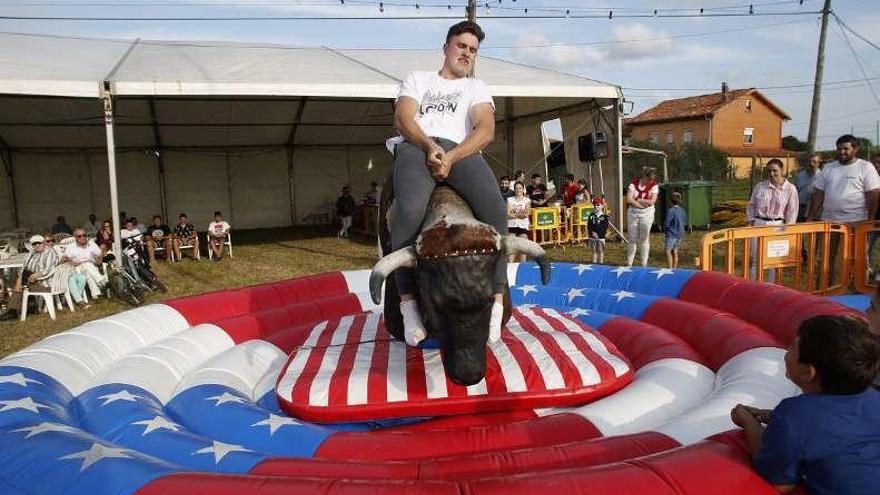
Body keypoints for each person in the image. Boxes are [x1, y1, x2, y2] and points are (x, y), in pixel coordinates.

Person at [385, 20, 507, 346]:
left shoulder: (476, 87)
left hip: (461, 149)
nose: (467, 53)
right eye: (461, 46)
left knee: (497, 209)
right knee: (409, 210)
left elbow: (485, 129)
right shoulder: (418, 79)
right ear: (446, 47)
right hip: (417, 146)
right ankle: (408, 303)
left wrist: (451, 157)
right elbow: (404, 118)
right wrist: (429, 147)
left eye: (473, 50)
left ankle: (496, 300)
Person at [730, 315, 880, 495]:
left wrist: (749, 424)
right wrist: (772, 418)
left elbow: (779, 483)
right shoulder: (873, 396)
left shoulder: (794, 416)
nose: (787, 352)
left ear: (808, 373)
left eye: (792, 348)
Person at [807, 135, 880, 284]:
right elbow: (818, 193)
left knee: (856, 259)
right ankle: (825, 289)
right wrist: (811, 216)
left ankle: (856, 290)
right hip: (829, 221)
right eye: (839, 149)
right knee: (826, 258)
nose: (842, 152)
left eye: (846, 149)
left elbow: (873, 194)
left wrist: (870, 220)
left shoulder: (865, 167)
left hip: (856, 222)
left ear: (855, 149)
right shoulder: (828, 168)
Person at [746, 158, 799, 280]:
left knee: (773, 261)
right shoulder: (760, 186)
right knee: (756, 259)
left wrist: (788, 230)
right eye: (769, 171)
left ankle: (772, 288)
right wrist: (751, 221)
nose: (771, 174)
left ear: (782, 170)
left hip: (777, 226)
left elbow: (792, 211)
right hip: (759, 223)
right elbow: (751, 205)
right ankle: (754, 286)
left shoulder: (790, 189)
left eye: (775, 170)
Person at [0, 235, 60, 320]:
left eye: (38, 243)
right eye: (34, 244)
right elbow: (23, 267)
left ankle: (13, 311)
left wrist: (34, 275)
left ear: (43, 243)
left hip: (44, 284)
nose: (37, 246)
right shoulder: (32, 253)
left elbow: (47, 270)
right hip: (31, 281)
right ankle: (29, 306)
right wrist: (20, 280)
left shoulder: (50, 253)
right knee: (18, 280)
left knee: (19, 285)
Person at [625, 167, 659, 267]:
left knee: (644, 238)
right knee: (632, 238)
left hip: (647, 214)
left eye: (652, 180)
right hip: (633, 213)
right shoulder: (633, 184)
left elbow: (652, 201)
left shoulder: (654, 186)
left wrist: (639, 199)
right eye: (649, 179)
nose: (650, 181)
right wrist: (641, 205)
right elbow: (629, 200)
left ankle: (644, 263)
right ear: (644, 176)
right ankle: (629, 263)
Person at [62, 227, 107, 298]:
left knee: (88, 271)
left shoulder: (92, 244)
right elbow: (64, 258)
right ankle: (101, 281)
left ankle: (95, 294)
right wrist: (72, 262)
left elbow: (100, 255)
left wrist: (98, 260)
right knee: (86, 264)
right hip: (77, 268)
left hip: (92, 267)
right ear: (75, 238)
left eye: (84, 235)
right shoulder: (70, 247)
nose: (82, 237)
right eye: (79, 236)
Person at [506, 181, 530, 262]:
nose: (518, 190)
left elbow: (526, 214)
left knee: (523, 248)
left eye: (520, 188)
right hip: (511, 225)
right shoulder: (509, 199)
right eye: (516, 188)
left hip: (523, 226)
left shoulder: (527, 200)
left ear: (523, 189)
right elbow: (508, 214)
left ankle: (523, 267)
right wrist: (520, 214)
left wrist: (514, 213)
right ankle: (510, 266)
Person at [795, 154, 822, 222]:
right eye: (810, 161)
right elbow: (796, 190)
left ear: (819, 163)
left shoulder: (822, 176)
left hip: (814, 209)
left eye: (814, 162)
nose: (811, 164)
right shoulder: (800, 175)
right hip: (800, 207)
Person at [664, 191, 687, 269]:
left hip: (672, 234)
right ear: (680, 201)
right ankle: (675, 267)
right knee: (675, 251)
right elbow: (684, 221)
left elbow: (667, 222)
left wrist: (665, 229)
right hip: (680, 233)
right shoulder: (682, 210)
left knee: (668, 251)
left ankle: (670, 268)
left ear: (670, 201)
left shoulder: (671, 211)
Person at [588, 200, 609, 264]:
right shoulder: (591, 215)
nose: (596, 206)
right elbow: (589, 225)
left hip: (601, 237)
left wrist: (599, 235)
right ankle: (594, 262)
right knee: (594, 250)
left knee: (601, 250)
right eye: (595, 205)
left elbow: (605, 227)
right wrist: (592, 233)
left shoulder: (604, 217)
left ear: (602, 206)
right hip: (592, 236)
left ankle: (601, 263)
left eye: (598, 205)